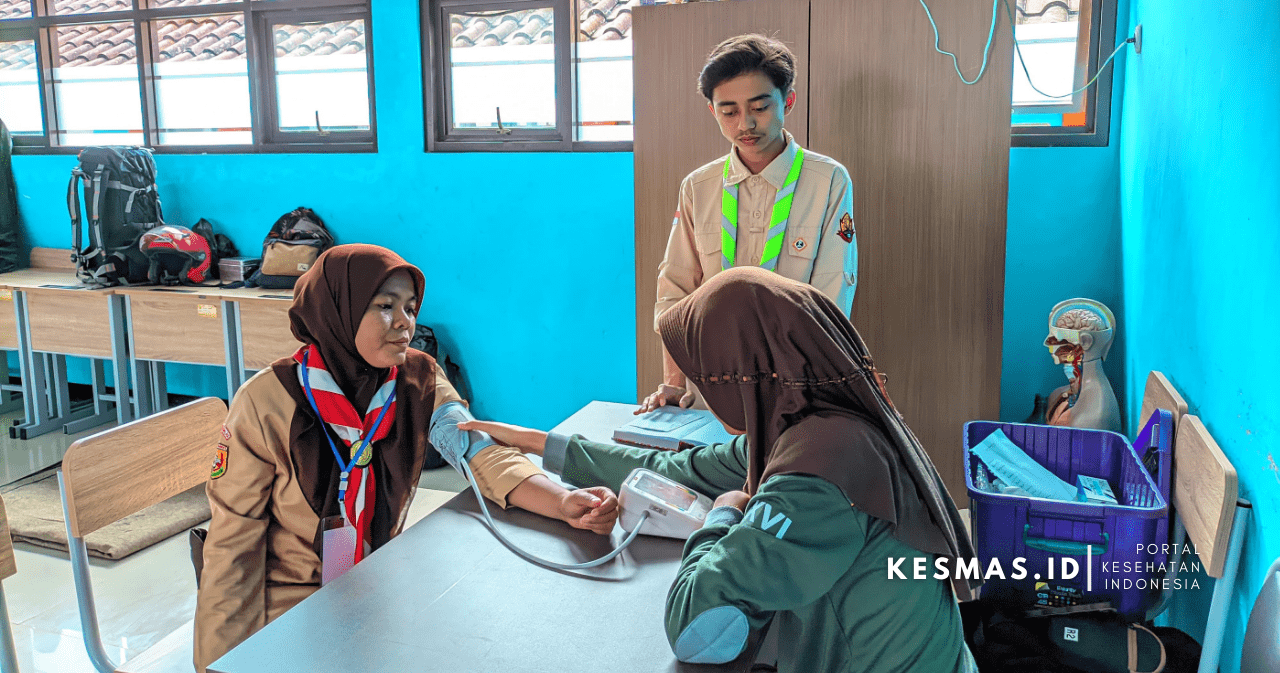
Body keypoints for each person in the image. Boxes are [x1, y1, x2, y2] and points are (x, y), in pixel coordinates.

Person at [461, 268, 977, 673]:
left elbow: (696, 626)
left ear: (742, 370)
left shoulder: (820, 472)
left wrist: (722, 519)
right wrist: (541, 444)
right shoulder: (816, 422)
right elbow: (677, 468)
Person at [194, 245, 619, 672]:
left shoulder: (419, 379)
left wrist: (562, 501)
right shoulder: (267, 402)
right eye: (384, 306)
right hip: (291, 607)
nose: (405, 323)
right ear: (339, 310)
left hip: (375, 587)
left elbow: (480, 452)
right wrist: (219, 665)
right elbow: (233, 551)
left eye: (411, 307)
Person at [644, 33, 857, 412]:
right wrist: (674, 385)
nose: (746, 124)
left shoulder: (828, 181)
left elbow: (831, 296)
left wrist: (807, 394)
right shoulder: (699, 186)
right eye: (729, 111)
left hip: (799, 386)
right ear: (714, 111)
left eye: (760, 107)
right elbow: (675, 291)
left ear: (787, 101)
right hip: (713, 386)